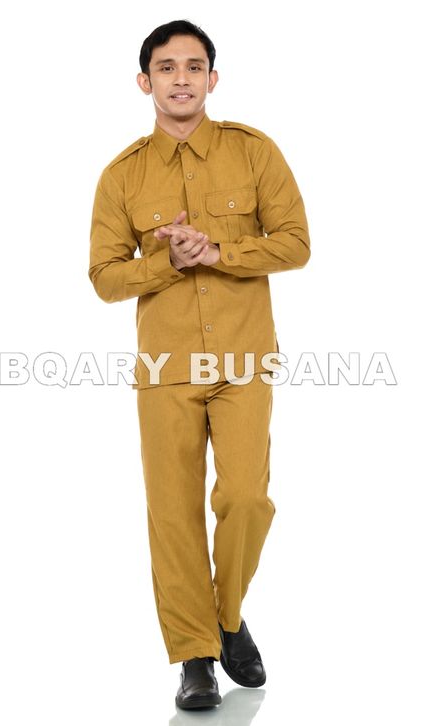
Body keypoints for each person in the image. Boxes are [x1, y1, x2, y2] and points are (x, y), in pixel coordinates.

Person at [88, 19, 310, 710]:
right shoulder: (122, 175)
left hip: (244, 357)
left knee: (245, 497)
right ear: (144, 82)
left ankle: (227, 614)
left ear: (213, 78)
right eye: (166, 67)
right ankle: (195, 657)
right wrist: (166, 263)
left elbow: (296, 243)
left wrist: (217, 252)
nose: (180, 78)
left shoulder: (254, 152)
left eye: (193, 66)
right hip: (166, 367)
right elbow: (103, 276)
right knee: (173, 513)